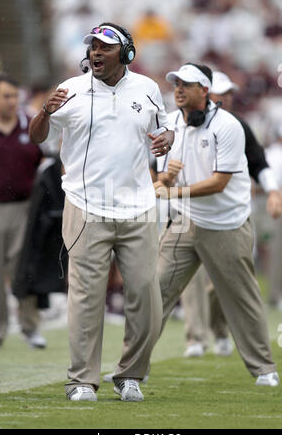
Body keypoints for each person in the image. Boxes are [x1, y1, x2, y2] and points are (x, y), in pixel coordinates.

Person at [29, 22, 174, 402]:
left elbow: (165, 127)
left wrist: (168, 138)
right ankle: (81, 380)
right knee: (86, 297)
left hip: (139, 205)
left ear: (126, 53)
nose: (95, 52)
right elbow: (36, 135)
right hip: (85, 204)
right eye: (92, 46)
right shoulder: (70, 90)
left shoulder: (147, 88)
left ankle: (130, 374)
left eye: (105, 47)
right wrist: (44, 111)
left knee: (146, 294)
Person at [154, 63, 279, 386]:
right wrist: (163, 180)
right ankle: (134, 367)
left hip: (225, 222)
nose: (179, 89)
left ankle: (262, 367)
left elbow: (245, 169)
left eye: (187, 84)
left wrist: (274, 191)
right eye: (177, 84)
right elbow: (159, 172)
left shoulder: (232, 126)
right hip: (183, 218)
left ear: (206, 92)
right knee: (157, 290)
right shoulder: (169, 124)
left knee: (237, 294)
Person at [181, 71, 282, 358]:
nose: (226, 98)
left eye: (228, 93)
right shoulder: (181, 122)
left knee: (223, 281)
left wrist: (273, 191)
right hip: (189, 212)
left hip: (227, 216)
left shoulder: (238, 125)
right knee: (191, 280)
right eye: (220, 93)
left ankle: (219, 329)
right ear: (204, 93)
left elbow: (258, 163)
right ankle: (195, 339)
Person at [0, 75, 46, 349]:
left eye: (14, 96)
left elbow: (45, 164)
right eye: (6, 96)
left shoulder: (29, 124)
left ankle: (30, 326)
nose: (12, 101)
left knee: (25, 269)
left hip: (25, 208)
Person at [265, 122, 282, 311]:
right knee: (278, 253)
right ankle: (276, 294)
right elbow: (276, 188)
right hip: (279, 210)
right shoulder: (276, 155)